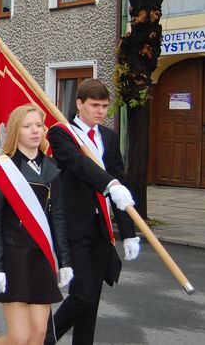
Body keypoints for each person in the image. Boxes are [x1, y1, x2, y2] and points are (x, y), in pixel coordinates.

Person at [46, 79, 139, 344]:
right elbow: (77, 165)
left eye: (105, 106)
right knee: (82, 295)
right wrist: (109, 184)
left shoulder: (108, 137)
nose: (100, 111)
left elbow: (120, 185)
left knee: (92, 303)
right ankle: (45, 339)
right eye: (94, 105)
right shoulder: (61, 133)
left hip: (101, 229)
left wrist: (129, 231)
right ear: (79, 104)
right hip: (73, 227)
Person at [0, 105, 72, 345]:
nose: (35, 131)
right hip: (14, 257)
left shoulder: (52, 168)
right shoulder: (3, 168)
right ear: (16, 130)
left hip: (41, 256)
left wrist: (64, 261)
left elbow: (59, 218)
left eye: (39, 125)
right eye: (27, 126)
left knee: (38, 335)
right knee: (19, 337)